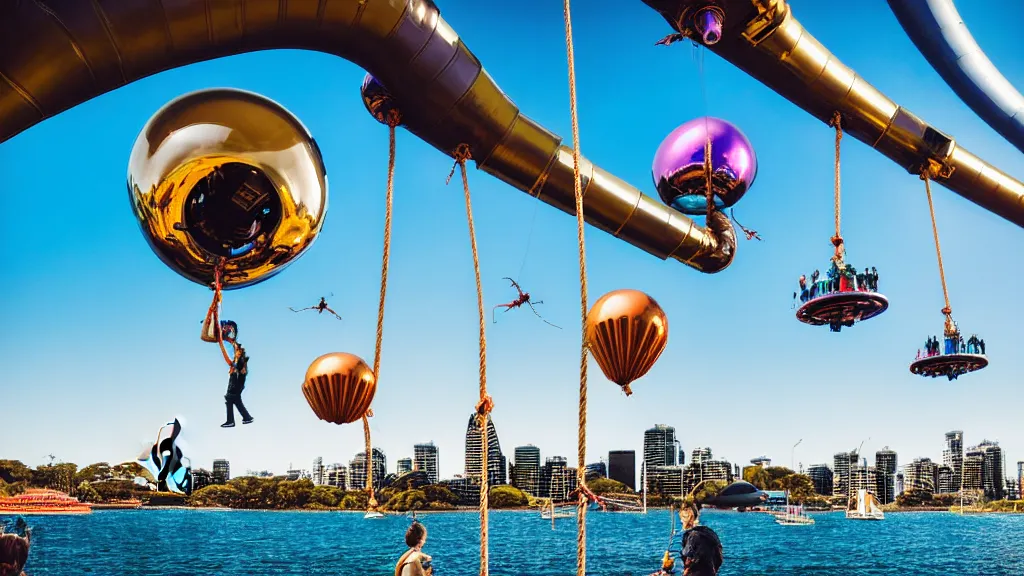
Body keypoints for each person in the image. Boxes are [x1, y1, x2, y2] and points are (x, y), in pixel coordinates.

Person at [221, 343, 254, 428]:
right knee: (235, 400)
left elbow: (241, 372)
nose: (235, 352)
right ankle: (246, 417)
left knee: (230, 398)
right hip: (236, 384)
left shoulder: (240, 361)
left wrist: (221, 342)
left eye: (237, 350)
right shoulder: (237, 361)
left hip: (236, 384)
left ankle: (231, 420)